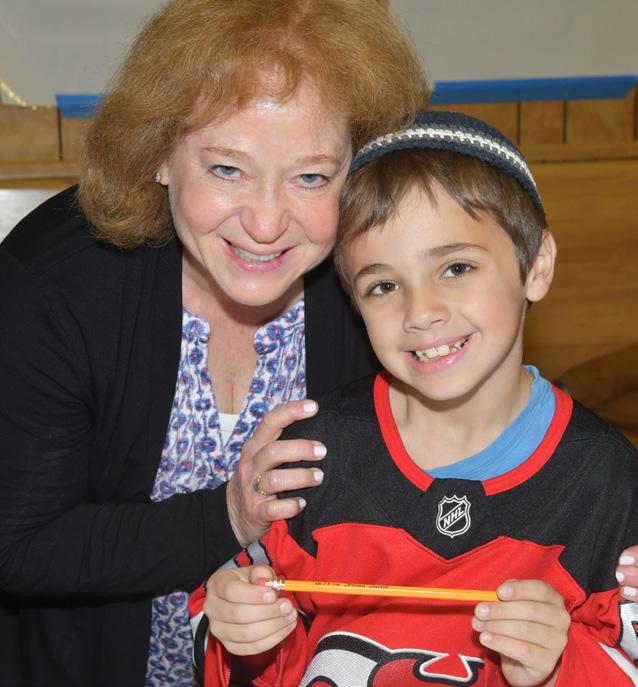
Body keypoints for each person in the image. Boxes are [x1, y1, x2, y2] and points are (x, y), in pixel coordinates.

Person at [0, 1, 429, 685]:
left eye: (311, 177)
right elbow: (19, 544)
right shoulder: (57, 283)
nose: (266, 222)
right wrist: (227, 515)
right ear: (159, 153)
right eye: (227, 169)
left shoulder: (374, 285)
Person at [191, 111, 638, 686]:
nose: (421, 312)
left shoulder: (608, 483)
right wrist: (240, 632)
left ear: (536, 266)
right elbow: (231, 634)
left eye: (456, 267)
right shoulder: (311, 456)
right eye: (383, 286)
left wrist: (558, 667)